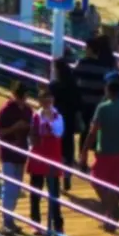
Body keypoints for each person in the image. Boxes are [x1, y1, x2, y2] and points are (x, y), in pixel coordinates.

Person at [80, 73, 119, 231]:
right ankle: (110, 215)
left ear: (107, 90)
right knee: (113, 185)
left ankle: (110, 214)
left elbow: (92, 132)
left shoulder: (102, 108)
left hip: (105, 152)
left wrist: (84, 151)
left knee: (95, 179)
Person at [0, 80, 33, 236]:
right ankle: (7, 220)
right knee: (9, 186)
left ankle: (10, 218)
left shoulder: (28, 111)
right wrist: (14, 128)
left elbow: (32, 130)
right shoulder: (5, 111)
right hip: (9, 153)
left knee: (16, 188)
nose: (22, 100)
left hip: (21, 153)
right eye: (20, 97)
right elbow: (1, 133)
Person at [27, 85, 65, 235]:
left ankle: (58, 225)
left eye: (50, 99)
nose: (48, 102)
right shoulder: (36, 116)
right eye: (44, 99)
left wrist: (48, 124)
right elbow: (33, 134)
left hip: (53, 156)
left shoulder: (58, 116)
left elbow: (58, 132)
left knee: (54, 194)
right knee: (35, 192)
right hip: (39, 155)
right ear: (40, 101)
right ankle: (35, 222)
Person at [50, 55, 82, 191]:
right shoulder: (73, 84)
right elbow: (78, 103)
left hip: (57, 119)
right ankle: (67, 175)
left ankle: (57, 176)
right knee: (69, 147)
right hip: (69, 119)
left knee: (57, 148)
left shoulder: (54, 86)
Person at [73, 38, 108, 151]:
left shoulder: (82, 63)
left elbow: (73, 79)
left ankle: (82, 155)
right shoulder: (104, 67)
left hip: (82, 103)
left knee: (84, 131)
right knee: (93, 130)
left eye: (86, 48)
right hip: (97, 104)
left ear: (91, 49)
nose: (84, 49)